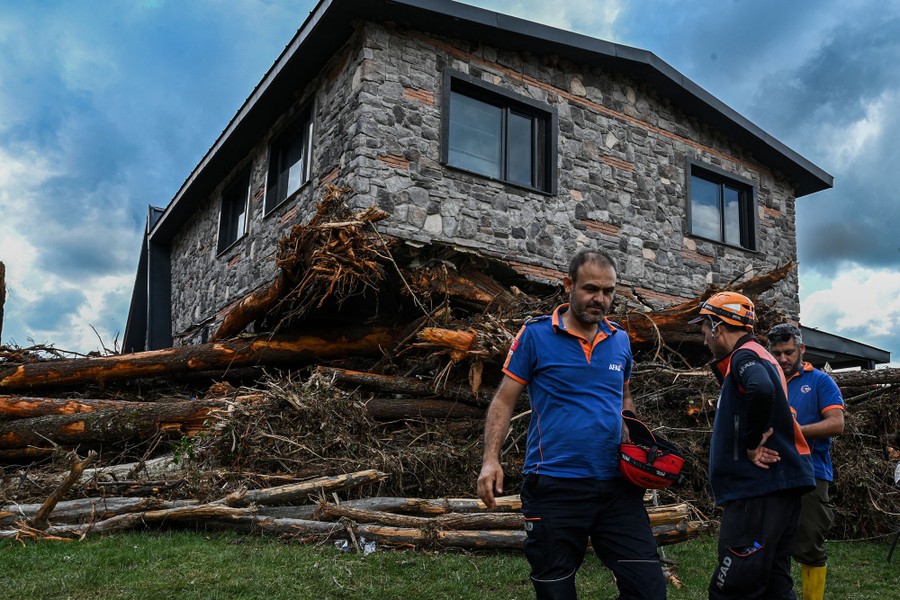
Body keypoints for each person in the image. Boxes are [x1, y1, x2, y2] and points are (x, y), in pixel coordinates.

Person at [477, 249, 667, 600]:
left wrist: (640, 445)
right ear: (568, 285)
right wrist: (491, 459)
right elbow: (504, 399)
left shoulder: (620, 340)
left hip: (616, 487)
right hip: (554, 485)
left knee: (648, 588)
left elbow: (624, 400)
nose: (600, 299)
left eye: (609, 291)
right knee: (555, 591)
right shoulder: (535, 335)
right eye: (591, 289)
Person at [689, 292, 815, 599]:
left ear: (717, 325)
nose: (704, 338)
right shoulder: (763, 355)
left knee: (733, 586)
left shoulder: (745, 356)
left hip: (757, 491)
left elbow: (759, 389)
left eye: (705, 329)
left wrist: (750, 442)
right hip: (778, 488)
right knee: (774, 582)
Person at [767, 323, 844, 600]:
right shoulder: (767, 380)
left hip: (811, 473)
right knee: (772, 542)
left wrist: (793, 431)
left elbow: (836, 424)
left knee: (809, 543)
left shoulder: (822, 381)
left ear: (801, 349)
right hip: (771, 472)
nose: (783, 359)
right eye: (777, 353)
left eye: (788, 352)